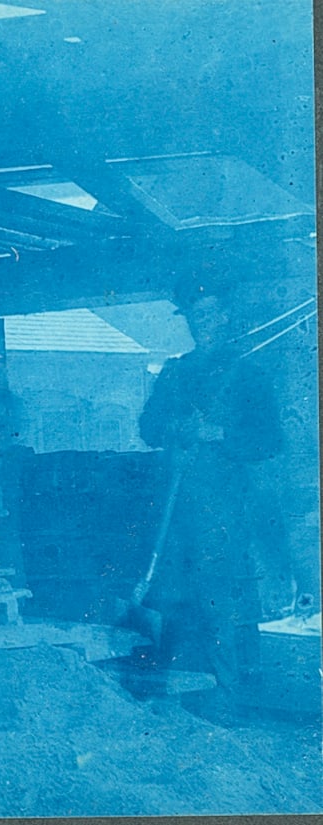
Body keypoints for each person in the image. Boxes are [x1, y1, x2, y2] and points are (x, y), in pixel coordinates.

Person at [139, 274, 286, 713]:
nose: (201, 323)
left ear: (225, 316)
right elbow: (148, 428)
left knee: (219, 599)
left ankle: (228, 697)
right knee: (170, 597)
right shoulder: (174, 372)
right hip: (175, 506)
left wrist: (217, 433)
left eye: (208, 314)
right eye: (194, 316)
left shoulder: (249, 374)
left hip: (224, 509)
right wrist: (175, 427)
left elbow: (270, 440)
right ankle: (173, 695)